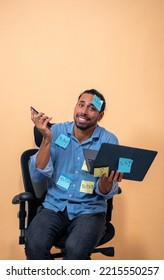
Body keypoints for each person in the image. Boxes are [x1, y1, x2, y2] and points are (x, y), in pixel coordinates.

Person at [25, 89, 123, 260]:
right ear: (76, 107)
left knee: (76, 250)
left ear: (100, 116)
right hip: (54, 206)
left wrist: (107, 180)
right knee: (34, 245)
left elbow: (105, 190)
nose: (84, 111)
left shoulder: (108, 141)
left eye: (92, 108)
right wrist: (47, 140)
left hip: (89, 211)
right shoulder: (57, 131)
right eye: (81, 105)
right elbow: (38, 174)